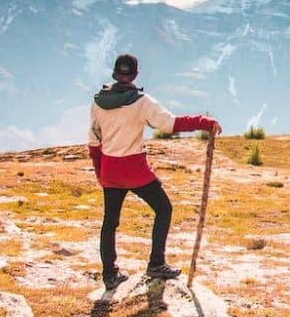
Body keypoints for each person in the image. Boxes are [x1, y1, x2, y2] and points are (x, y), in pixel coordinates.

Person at [87, 53, 221, 290]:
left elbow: (94, 142)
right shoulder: (141, 102)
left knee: (110, 221)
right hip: (135, 170)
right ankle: (156, 263)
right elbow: (170, 124)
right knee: (163, 208)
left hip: (110, 170)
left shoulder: (98, 102)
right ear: (136, 75)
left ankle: (109, 274)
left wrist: (100, 172)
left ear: (115, 74)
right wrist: (203, 121)